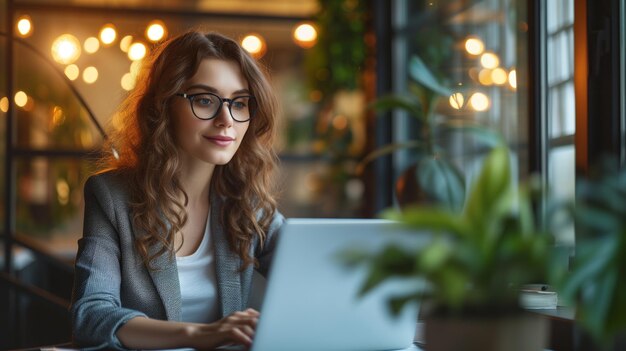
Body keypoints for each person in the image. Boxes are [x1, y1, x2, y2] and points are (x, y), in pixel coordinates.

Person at [70, 30, 284, 350]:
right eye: (205, 100)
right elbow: (91, 315)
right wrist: (199, 334)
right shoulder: (112, 196)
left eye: (240, 103)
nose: (227, 120)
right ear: (164, 106)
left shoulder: (247, 202)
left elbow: (318, 271)